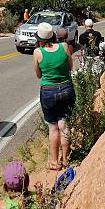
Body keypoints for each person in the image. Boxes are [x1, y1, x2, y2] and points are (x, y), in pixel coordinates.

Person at [32, 22, 74, 170]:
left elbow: (38, 75)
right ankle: (66, 159)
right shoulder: (64, 47)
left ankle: (55, 162)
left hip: (48, 91)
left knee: (53, 127)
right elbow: (71, 67)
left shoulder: (38, 52)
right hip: (66, 88)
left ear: (40, 39)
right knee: (64, 124)